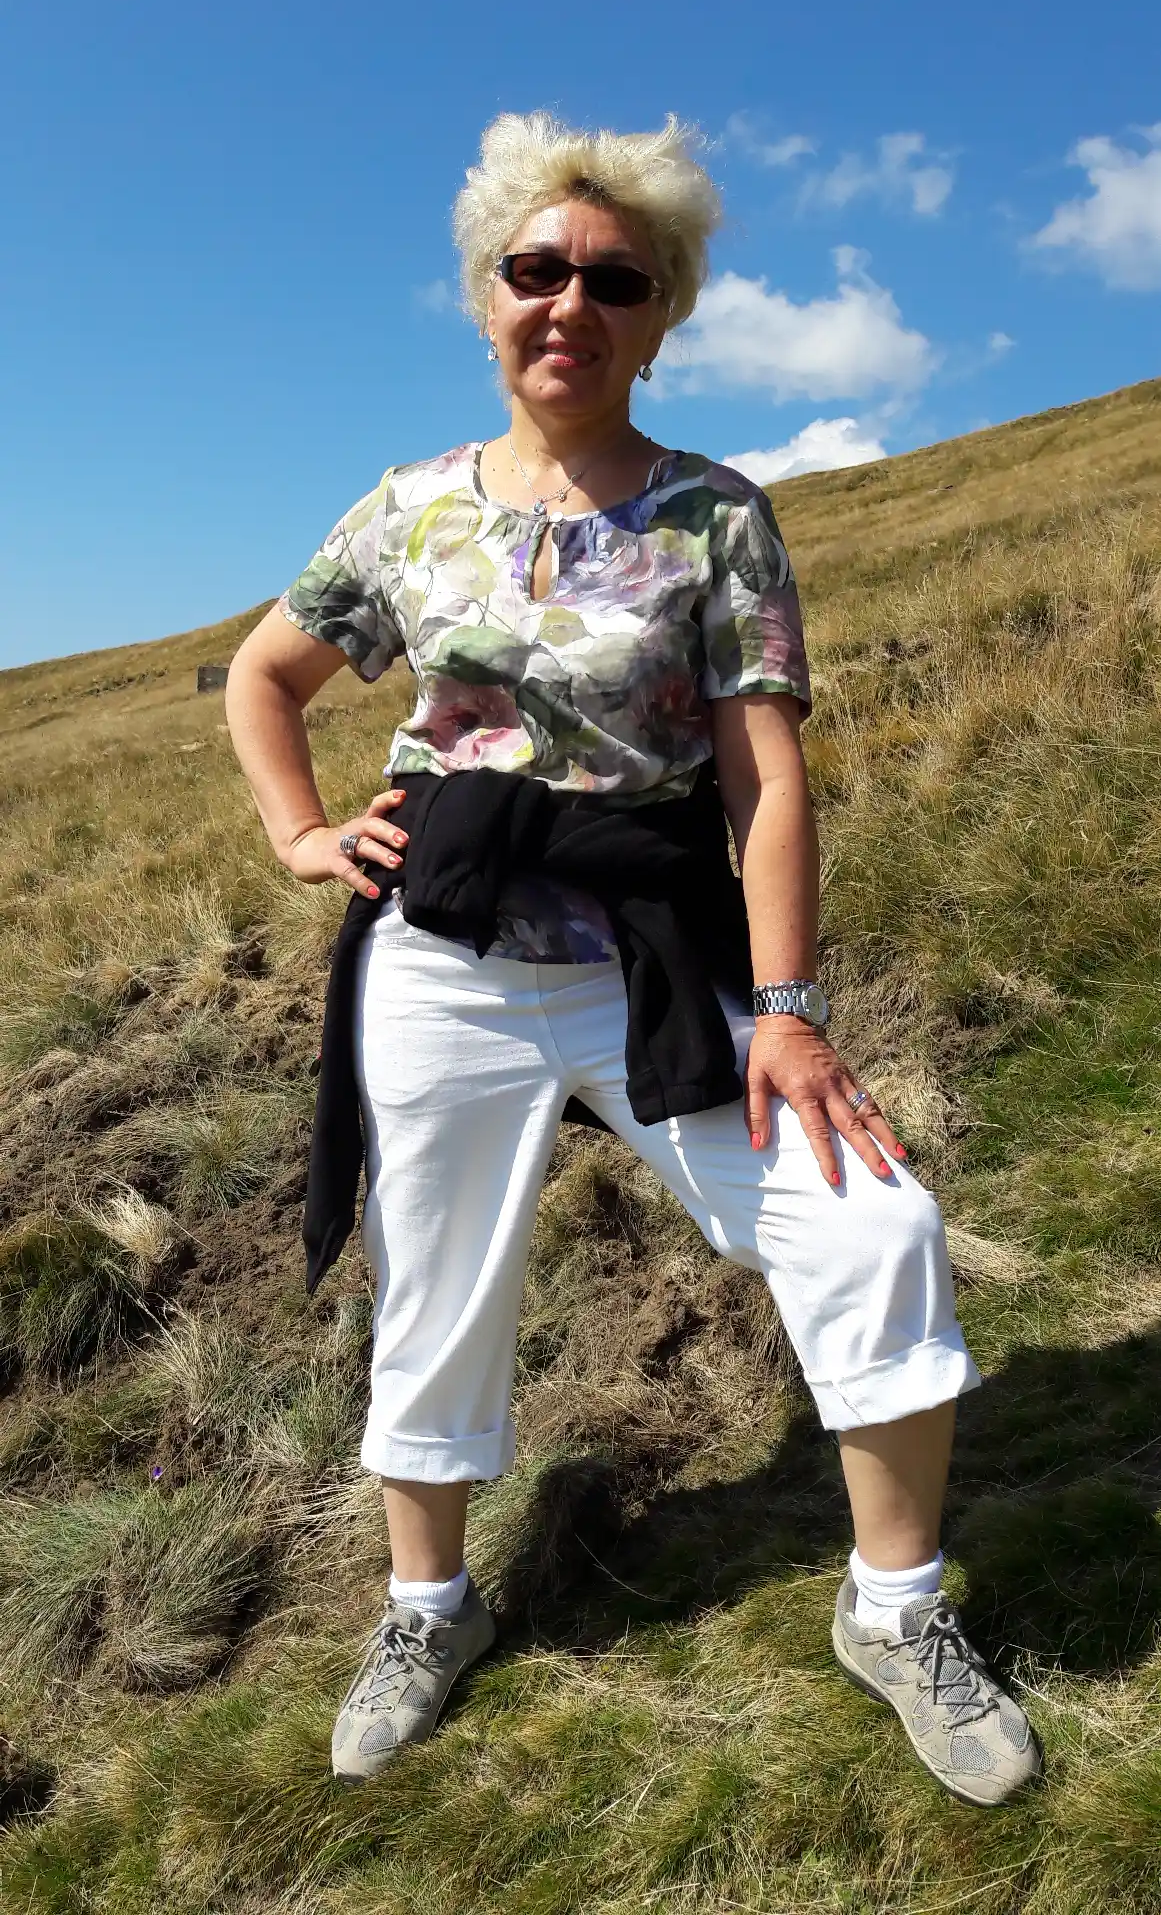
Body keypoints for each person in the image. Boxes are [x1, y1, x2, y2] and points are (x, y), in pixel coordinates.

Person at [225, 112, 1040, 1808]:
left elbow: (767, 782)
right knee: (434, 1288)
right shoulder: (408, 509)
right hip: (444, 957)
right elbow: (263, 677)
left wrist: (791, 1012)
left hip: (653, 955)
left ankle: (895, 1613)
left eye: (616, 281)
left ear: (660, 316)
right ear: (487, 296)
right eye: (537, 271)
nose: (570, 306)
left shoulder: (717, 516)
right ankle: (427, 1612)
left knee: (873, 1222)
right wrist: (303, 835)